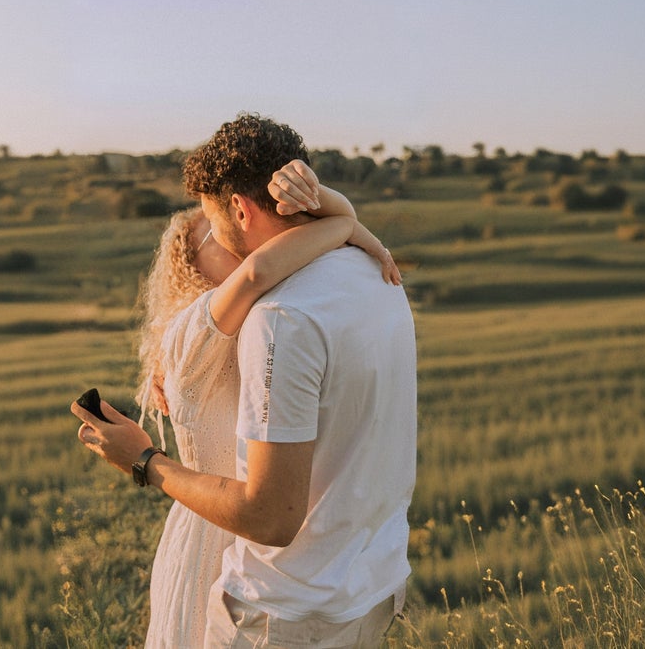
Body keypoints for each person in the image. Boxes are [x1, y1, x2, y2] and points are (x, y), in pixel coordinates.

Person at [73, 113, 417, 648]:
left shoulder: (278, 317)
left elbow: (271, 517)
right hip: (369, 585)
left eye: (212, 220)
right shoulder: (379, 277)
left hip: (285, 608)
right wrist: (345, 221)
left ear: (238, 207)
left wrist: (143, 461)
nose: (215, 238)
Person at [133, 175, 398, 647]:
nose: (232, 240)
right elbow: (259, 268)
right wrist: (346, 225)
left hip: (252, 528)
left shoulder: (259, 321)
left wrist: (344, 219)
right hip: (217, 531)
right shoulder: (192, 335)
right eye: (212, 235)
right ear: (190, 267)